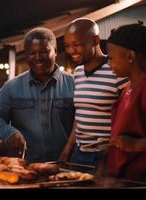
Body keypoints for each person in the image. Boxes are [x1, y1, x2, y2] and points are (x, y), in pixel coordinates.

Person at [0, 27, 75, 162]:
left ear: (55, 51)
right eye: (31, 53)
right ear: (26, 55)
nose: (38, 58)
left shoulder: (74, 84)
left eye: (44, 52)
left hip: (66, 167)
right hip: (24, 167)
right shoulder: (11, 87)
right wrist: (9, 133)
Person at [60, 18, 129, 170]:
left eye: (76, 45)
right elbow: (80, 113)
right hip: (79, 154)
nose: (71, 51)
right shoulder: (77, 73)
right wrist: (68, 148)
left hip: (105, 156)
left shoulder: (118, 71)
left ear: (96, 40)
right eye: (67, 46)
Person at [104, 22, 146, 181]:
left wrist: (136, 145)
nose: (109, 64)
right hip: (122, 177)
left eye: (111, 58)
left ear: (130, 56)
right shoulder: (127, 88)